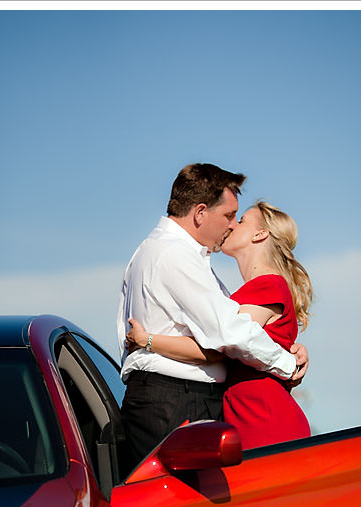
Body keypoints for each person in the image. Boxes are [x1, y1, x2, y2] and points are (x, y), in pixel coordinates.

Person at [116, 163, 309, 464]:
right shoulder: (174, 255)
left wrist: (148, 340)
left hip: (195, 403)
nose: (232, 224)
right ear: (200, 213)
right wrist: (287, 363)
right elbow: (228, 334)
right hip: (173, 403)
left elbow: (224, 341)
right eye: (230, 216)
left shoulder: (170, 253)